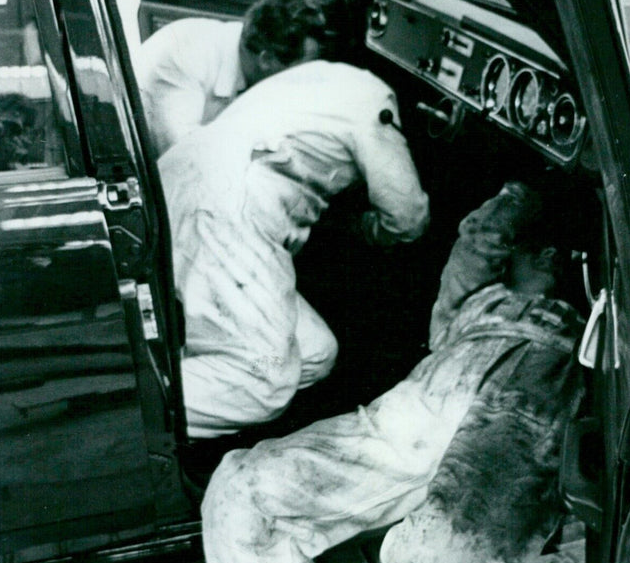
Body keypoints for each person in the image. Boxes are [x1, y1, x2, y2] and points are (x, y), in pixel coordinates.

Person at [201, 181, 586, 563]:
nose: (546, 259)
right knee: (242, 490)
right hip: (399, 428)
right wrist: (530, 189)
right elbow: (480, 233)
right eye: (537, 250)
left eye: (558, 254)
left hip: (507, 451)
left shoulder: (596, 334)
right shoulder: (475, 300)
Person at [160, 56, 430, 436]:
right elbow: (407, 217)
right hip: (231, 213)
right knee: (263, 384)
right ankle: (129, 414)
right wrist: (369, 229)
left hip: (182, 185)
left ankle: (199, 393)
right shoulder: (374, 100)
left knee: (314, 352)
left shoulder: (320, 76)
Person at [135, 0, 326, 155]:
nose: (303, 81)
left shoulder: (250, 57)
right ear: (266, 60)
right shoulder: (183, 57)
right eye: (299, 71)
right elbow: (182, 157)